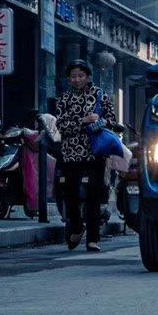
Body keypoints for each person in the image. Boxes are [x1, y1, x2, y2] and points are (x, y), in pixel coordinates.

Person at [55, 59, 117, 252]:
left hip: (96, 152)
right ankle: (76, 226)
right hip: (71, 153)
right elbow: (61, 126)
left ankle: (93, 239)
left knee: (94, 196)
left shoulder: (100, 95)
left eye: (80, 76)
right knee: (70, 194)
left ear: (88, 76)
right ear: (68, 79)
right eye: (73, 76)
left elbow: (112, 121)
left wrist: (100, 122)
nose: (77, 79)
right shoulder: (64, 99)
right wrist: (84, 120)